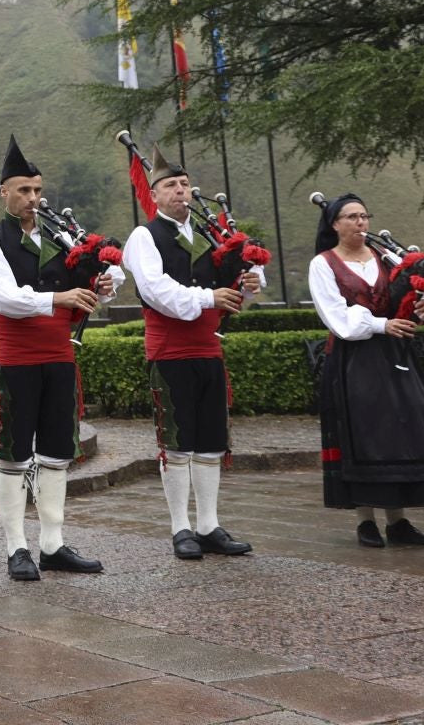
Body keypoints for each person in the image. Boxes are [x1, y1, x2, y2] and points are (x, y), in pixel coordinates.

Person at [0, 137, 118, 582]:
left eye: (37, 190)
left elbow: (99, 284)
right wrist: (59, 298)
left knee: (56, 452)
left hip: (59, 357)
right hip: (18, 359)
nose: (32, 198)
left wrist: (102, 286)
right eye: (23, 190)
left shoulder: (61, 238)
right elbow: (5, 298)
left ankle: (52, 545)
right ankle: (16, 548)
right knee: (13, 453)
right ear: (4, 192)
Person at [120, 148, 263, 561]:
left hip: (208, 348)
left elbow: (235, 288)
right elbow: (155, 290)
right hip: (170, 351)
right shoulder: (145, 237)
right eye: (170, 185)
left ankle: (208, 526)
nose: (180, 191)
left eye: (184, 184)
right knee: (178, 442)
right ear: (154, 195)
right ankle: (180, 527)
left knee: (211, 441)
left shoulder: (209, 235)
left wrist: (249, 282)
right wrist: (207, 296)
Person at [308, 194, 424, 548]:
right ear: (334, 224)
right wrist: (383, 325)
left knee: (400, 429)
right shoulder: (323, 264)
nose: (361, 223)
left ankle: (398, 521)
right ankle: (365, 521)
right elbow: (337, 317)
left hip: (395, 354)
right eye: (352, 217)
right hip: (353, 358)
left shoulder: (386, 256)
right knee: (363, 432)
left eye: (364, 216)